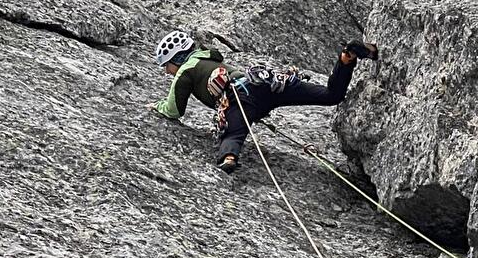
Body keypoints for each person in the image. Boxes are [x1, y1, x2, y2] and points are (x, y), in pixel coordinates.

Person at [152, 30, 378, 172]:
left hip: (238, 98)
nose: (166, 72)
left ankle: (229, 158)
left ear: (177, 59)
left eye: (167, 66)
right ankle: (347, 58)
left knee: (232, 133)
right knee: (331, 96)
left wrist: (156, 107)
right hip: (267, 84)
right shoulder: (209, 59)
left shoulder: (186, 71)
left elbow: (173, 110)